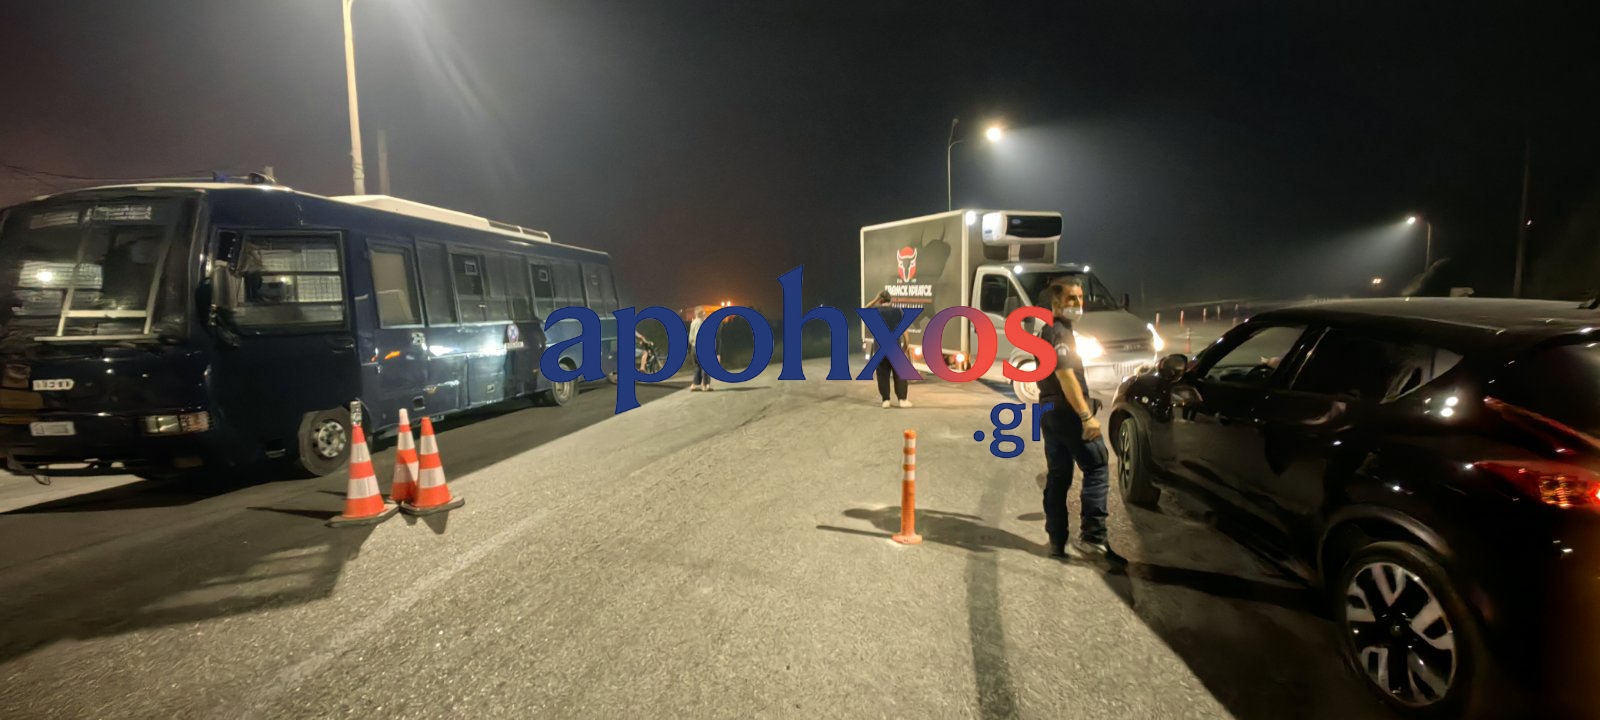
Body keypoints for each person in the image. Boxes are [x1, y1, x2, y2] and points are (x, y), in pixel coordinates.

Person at [1037, 277, 1116, 563]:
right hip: (1067, 413)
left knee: (1059, 477)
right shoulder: (1060, 333)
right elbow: (1065, 375)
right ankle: (1093, 538)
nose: (1078, 304)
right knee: (1097, 465)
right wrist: (1086, 416)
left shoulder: (1048, 331)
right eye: (1072, 298)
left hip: (1048, 411)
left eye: (1080, 298)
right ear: (1056, 302)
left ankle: (1057, 541)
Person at [864, 290, 912, 408]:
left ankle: (886, 400)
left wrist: (875, 299)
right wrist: (906, 345)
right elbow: (905, 331)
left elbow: (865, 309)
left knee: (882, 374)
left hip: (879, 348)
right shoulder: (897, 311)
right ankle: (902, 400)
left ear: (880, 301)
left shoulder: (876, 311)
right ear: (891, 300)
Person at [688, 307, 721, 391]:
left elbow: (691, 338)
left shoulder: (693, 323)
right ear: (701, 314)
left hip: (693, 348)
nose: (705, 314)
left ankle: (694, 385)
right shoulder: (701, 323)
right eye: (704, 313)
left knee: (697, 367)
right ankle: (705, 385)